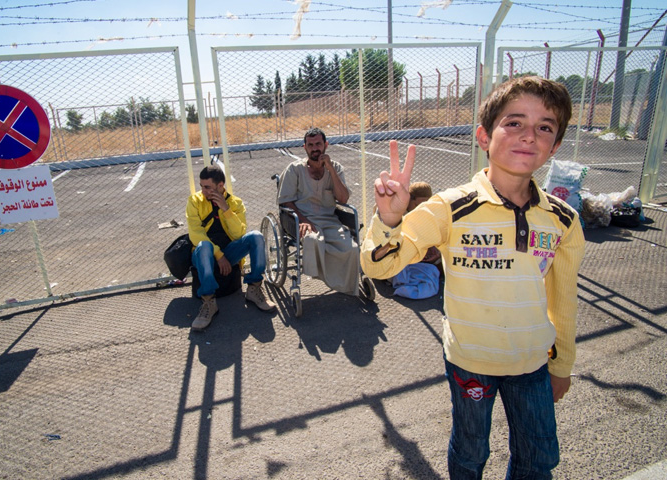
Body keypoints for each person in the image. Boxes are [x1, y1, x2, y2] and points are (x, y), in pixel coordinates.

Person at [361, 76, 585, 479]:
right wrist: (390, 218)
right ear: (484, 136)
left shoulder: (563, 220)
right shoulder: (449, 208)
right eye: (514, 122)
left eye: (545, 127)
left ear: (555, 145)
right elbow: (379, 267)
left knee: (537, 459)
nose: (529, 136)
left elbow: (563, 300)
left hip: (533, 363)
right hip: (469, 363)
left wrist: (562, 364)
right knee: (469, 453)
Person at [187, 165, 276, 331]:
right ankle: (209, 302)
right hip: (203, 254)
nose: (203, 191)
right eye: (201, 186)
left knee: (255, 236)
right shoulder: (195, 201)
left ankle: (254, 288)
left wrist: (226, 209)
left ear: (220, 186)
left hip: (229, 252)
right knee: (204, 245)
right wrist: (219, 255)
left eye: (207, 187)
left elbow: (238, 234)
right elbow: (195, 234)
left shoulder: (235, 203)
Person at [277, 127, 360, 296]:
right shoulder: (294, 169)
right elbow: (285, 201)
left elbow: (343, 199)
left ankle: (345, 284)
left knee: (351, 247)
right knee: (313, 240)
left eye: (318, 144)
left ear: (326, 145)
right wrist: (302, 219)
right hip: (302, 219)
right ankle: (326, 277)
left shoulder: (336, 168)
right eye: (311, 145)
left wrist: (330, 169)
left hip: (329, 219)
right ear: (305, 147)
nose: (315, 148)